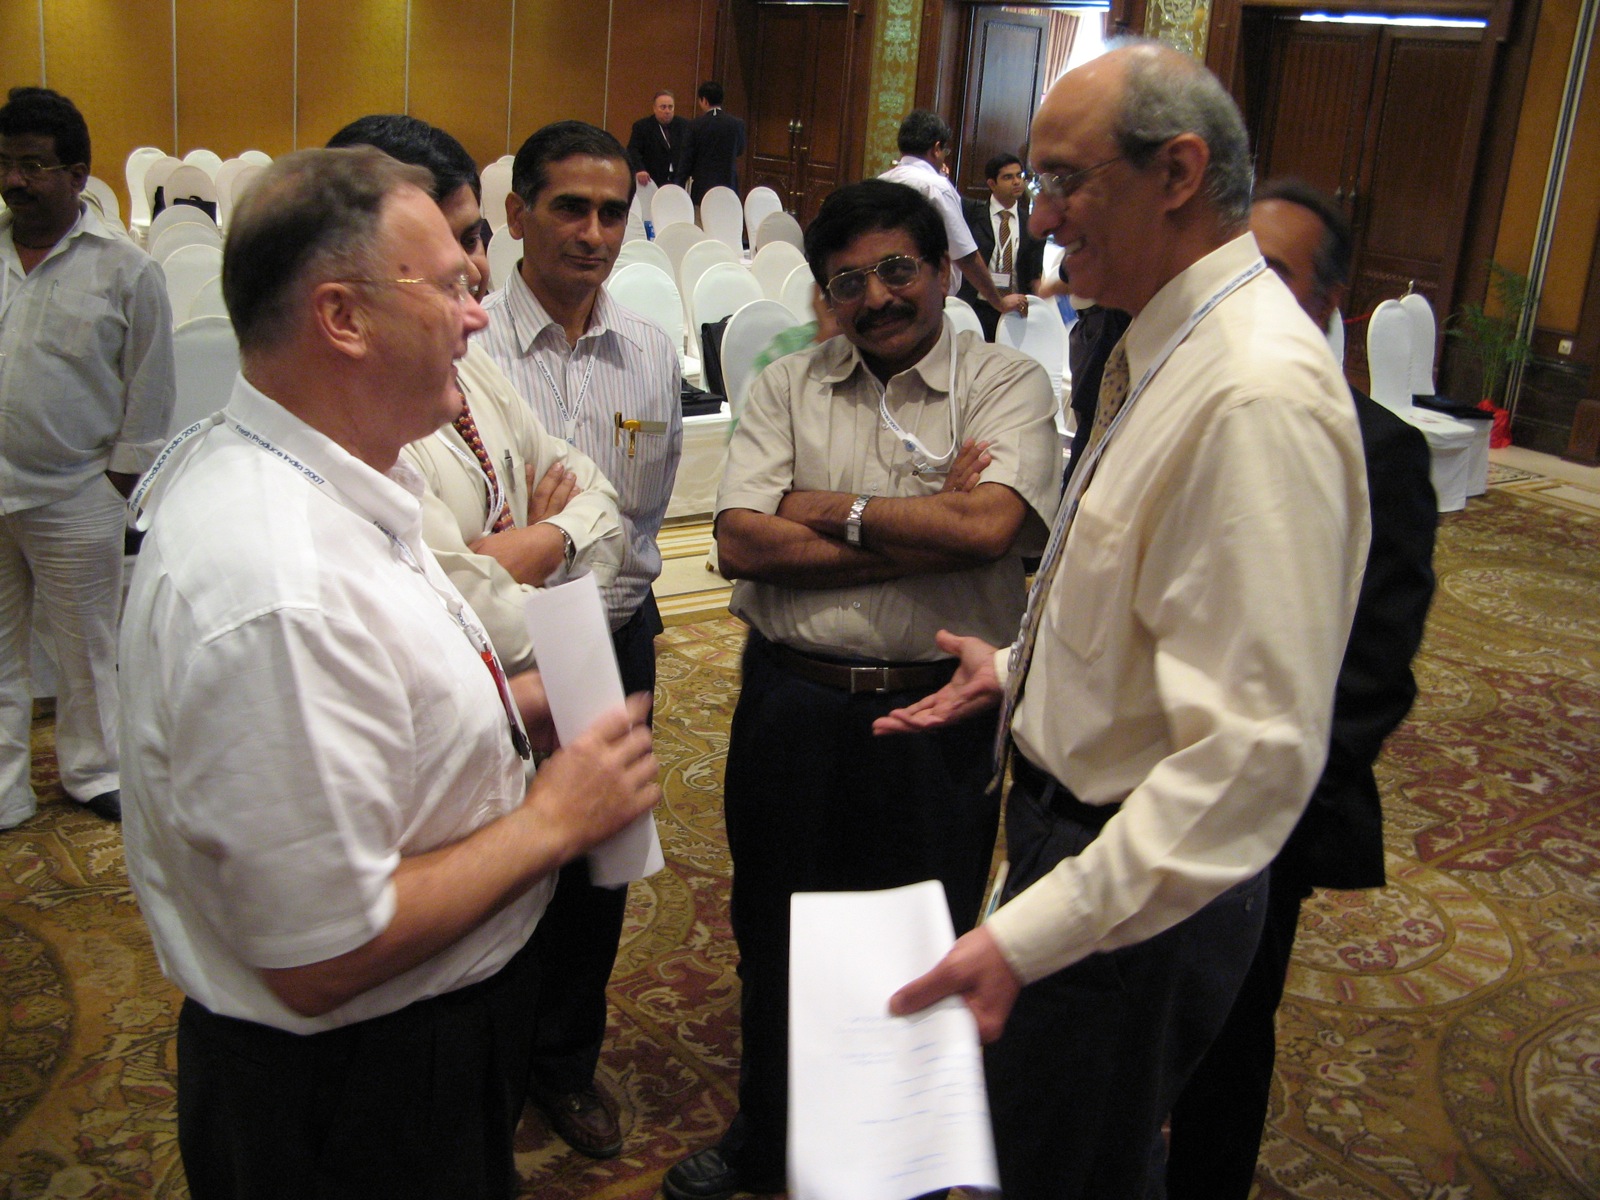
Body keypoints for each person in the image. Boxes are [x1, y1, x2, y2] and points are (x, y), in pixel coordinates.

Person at [878, 42, 1371, 1200]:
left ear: (1179, 171)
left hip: (1136, 891)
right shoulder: (1168, 337)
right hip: (1083, 854)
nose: (1039, 218)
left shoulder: (1253, 393)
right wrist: (1022, 667)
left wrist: (1030, 933)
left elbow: (1252, 755)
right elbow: (1153, 599)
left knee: (1065, 1173)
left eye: (1063, 181)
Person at [119, 146, 660, 1199]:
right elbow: (319, 955)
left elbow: (378, 711)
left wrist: (510, 709)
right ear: (343, 318)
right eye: (456, 283)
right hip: (357, 1085)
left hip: (417, 1049)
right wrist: (554, 820)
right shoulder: (280, 584)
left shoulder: (346, 477)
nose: (476, 313)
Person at [663, 178, 1061, 1200]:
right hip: (792, 702)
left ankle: (902, 1160)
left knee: (920, 934)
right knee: (775, 928)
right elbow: (743, 540)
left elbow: (987, 531)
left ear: (938, 272)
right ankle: (768, 1135)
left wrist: (829, 510)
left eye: (897, 270)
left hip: (940, 709)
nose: (878, 297)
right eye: (850, 282)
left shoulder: (1005, 384)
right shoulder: (786, 386)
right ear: (828, 296)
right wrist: (922, 517)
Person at [1166, 178, 1438, 1200]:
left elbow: (1370, 670)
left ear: (1329, 301)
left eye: (1271, 272)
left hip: (1260, 816)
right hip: (1131, 783)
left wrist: (1260, 784)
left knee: (1224, 1037)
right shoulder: (1170, 399)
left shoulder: (1378, 452)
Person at [477, 119, 683, 1158]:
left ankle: (564, 1066)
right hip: (502, 653)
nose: (594, 233)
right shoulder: (465, 344)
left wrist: (544, 540)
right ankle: (490, 1074)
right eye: (570, 207)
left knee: (600, 872)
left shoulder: (649, 352)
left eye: (612, 212)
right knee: (497, 864)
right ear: (518, 215)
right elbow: (470, 545)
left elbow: (640, 518)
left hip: (611, 639)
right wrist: (537, 543)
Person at [326, 114, 626, 687]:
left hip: (533, 712)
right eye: (436, 261)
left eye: (470, 239)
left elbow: (606, 509)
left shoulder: (469, 365)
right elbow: (470, 629)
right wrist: (559, 566)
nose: (474, 274)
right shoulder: (352, 432)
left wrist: (545, 541)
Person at [0, 86, 173, 831]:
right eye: (5, 163)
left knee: (85, 649)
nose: (15, 180)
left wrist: (115, 487)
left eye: (33, 165)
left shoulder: (125, 268)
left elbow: (152, 385)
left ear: (77, 173)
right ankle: (4, 786)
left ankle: (93, 769)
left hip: (76, 491)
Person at [880, 110, 1025, 322]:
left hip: (885, 289)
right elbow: (965, 254)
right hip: (925, 296)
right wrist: (999, 301)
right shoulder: (936, 187)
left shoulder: (882, 182)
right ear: (937, 148)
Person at [957, 152, 1045, 340]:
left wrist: (1041, 311)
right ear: (991, 183)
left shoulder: (1031, 224)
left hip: (1015, 310)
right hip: (976, 306)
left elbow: (1034, 274)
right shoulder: (971, 214)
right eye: (1008, 177)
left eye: (1019, 176)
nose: (1016, 182)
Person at [684, 81, 746, 206]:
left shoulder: (695, 125)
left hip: (702, 186)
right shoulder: (737, 124)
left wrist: (679, 184)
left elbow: (687, 158)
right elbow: (739, 150)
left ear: (704, 100)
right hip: (728, 184)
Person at [627, 90, 692, 189]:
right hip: (652, 180)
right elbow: (633, 150)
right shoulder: (642, 126)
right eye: (663, 107)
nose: (667, 111)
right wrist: (640, 169)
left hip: (678, 181)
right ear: (654, 108)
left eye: (670, 107)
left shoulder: (684, 126)